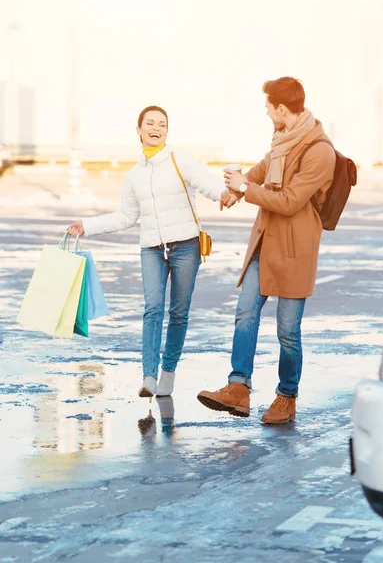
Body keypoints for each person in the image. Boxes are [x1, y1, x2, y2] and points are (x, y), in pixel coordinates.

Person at [197, 77, 336, 424]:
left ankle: (286, 396)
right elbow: (260, 170)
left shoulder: (319, 150)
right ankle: (238, 387)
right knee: (246, 312)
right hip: (265, 242)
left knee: (288, 330)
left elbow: (290, 202)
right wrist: (235, 190)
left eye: (268, 108)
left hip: (295, 250)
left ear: (282, 109)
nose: (266, 113)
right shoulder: (282, 140)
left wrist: (247, 187)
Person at [67, 105, 231, 398]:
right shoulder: (134, 176)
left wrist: (223, 193)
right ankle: (149, 376)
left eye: (162, 124)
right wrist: (86, 225)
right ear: (139, 130)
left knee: (178, 312)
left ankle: (168, 372)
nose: (157, 128)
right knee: (152, 309)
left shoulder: (181, 159)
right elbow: (125, 217)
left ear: (167, 130)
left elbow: (204, 183)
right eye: (151, 123)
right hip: (152, 250)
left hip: (186, 246)